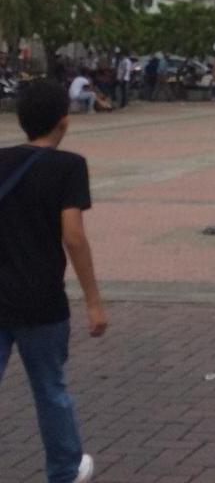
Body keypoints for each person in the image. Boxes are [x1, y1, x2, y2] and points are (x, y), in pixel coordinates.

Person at [0, 79, 108, 483]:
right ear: (64, 121)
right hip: (42, 299)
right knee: (50, 390)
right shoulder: (68, 166)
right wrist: (93, 300)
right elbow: (73, 236)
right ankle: (63, 471)